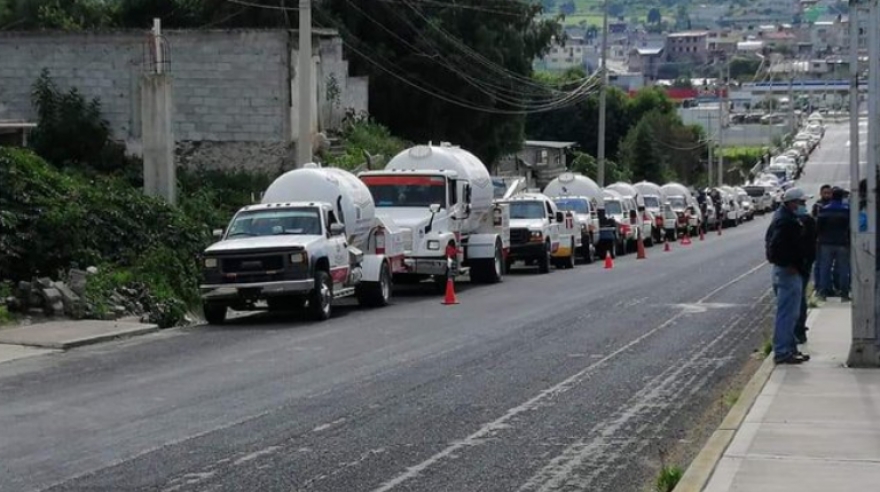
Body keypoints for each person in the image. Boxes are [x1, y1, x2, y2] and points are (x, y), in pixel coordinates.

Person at [765, 188, 810, 364]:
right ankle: (783, 351)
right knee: (787, 313)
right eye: (801, 203)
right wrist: (789, 264)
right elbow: (777, 246)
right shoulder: (786, 222)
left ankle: (789, 348)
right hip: (788, 272)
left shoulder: (782, 218)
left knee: (791, 313)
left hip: (785, 270)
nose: (804, 206)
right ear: (792, 203)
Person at [816, 187, 851, 301]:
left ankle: (823, 293)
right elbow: (850, 227)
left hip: (826, 243)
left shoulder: (824, 209)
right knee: (843, 269)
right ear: (842, 197)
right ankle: (844, 294)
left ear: (832, 196)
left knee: (824, 268)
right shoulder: (847, 210)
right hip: (842, 243)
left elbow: (819, 227)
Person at [795, 206, 817, 344]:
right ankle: (799, 330)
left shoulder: (793, 221)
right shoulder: (807, 220)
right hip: (804, 263)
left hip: (798, 264)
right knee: (800, 298)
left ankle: (797, 331)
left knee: (796, 300)